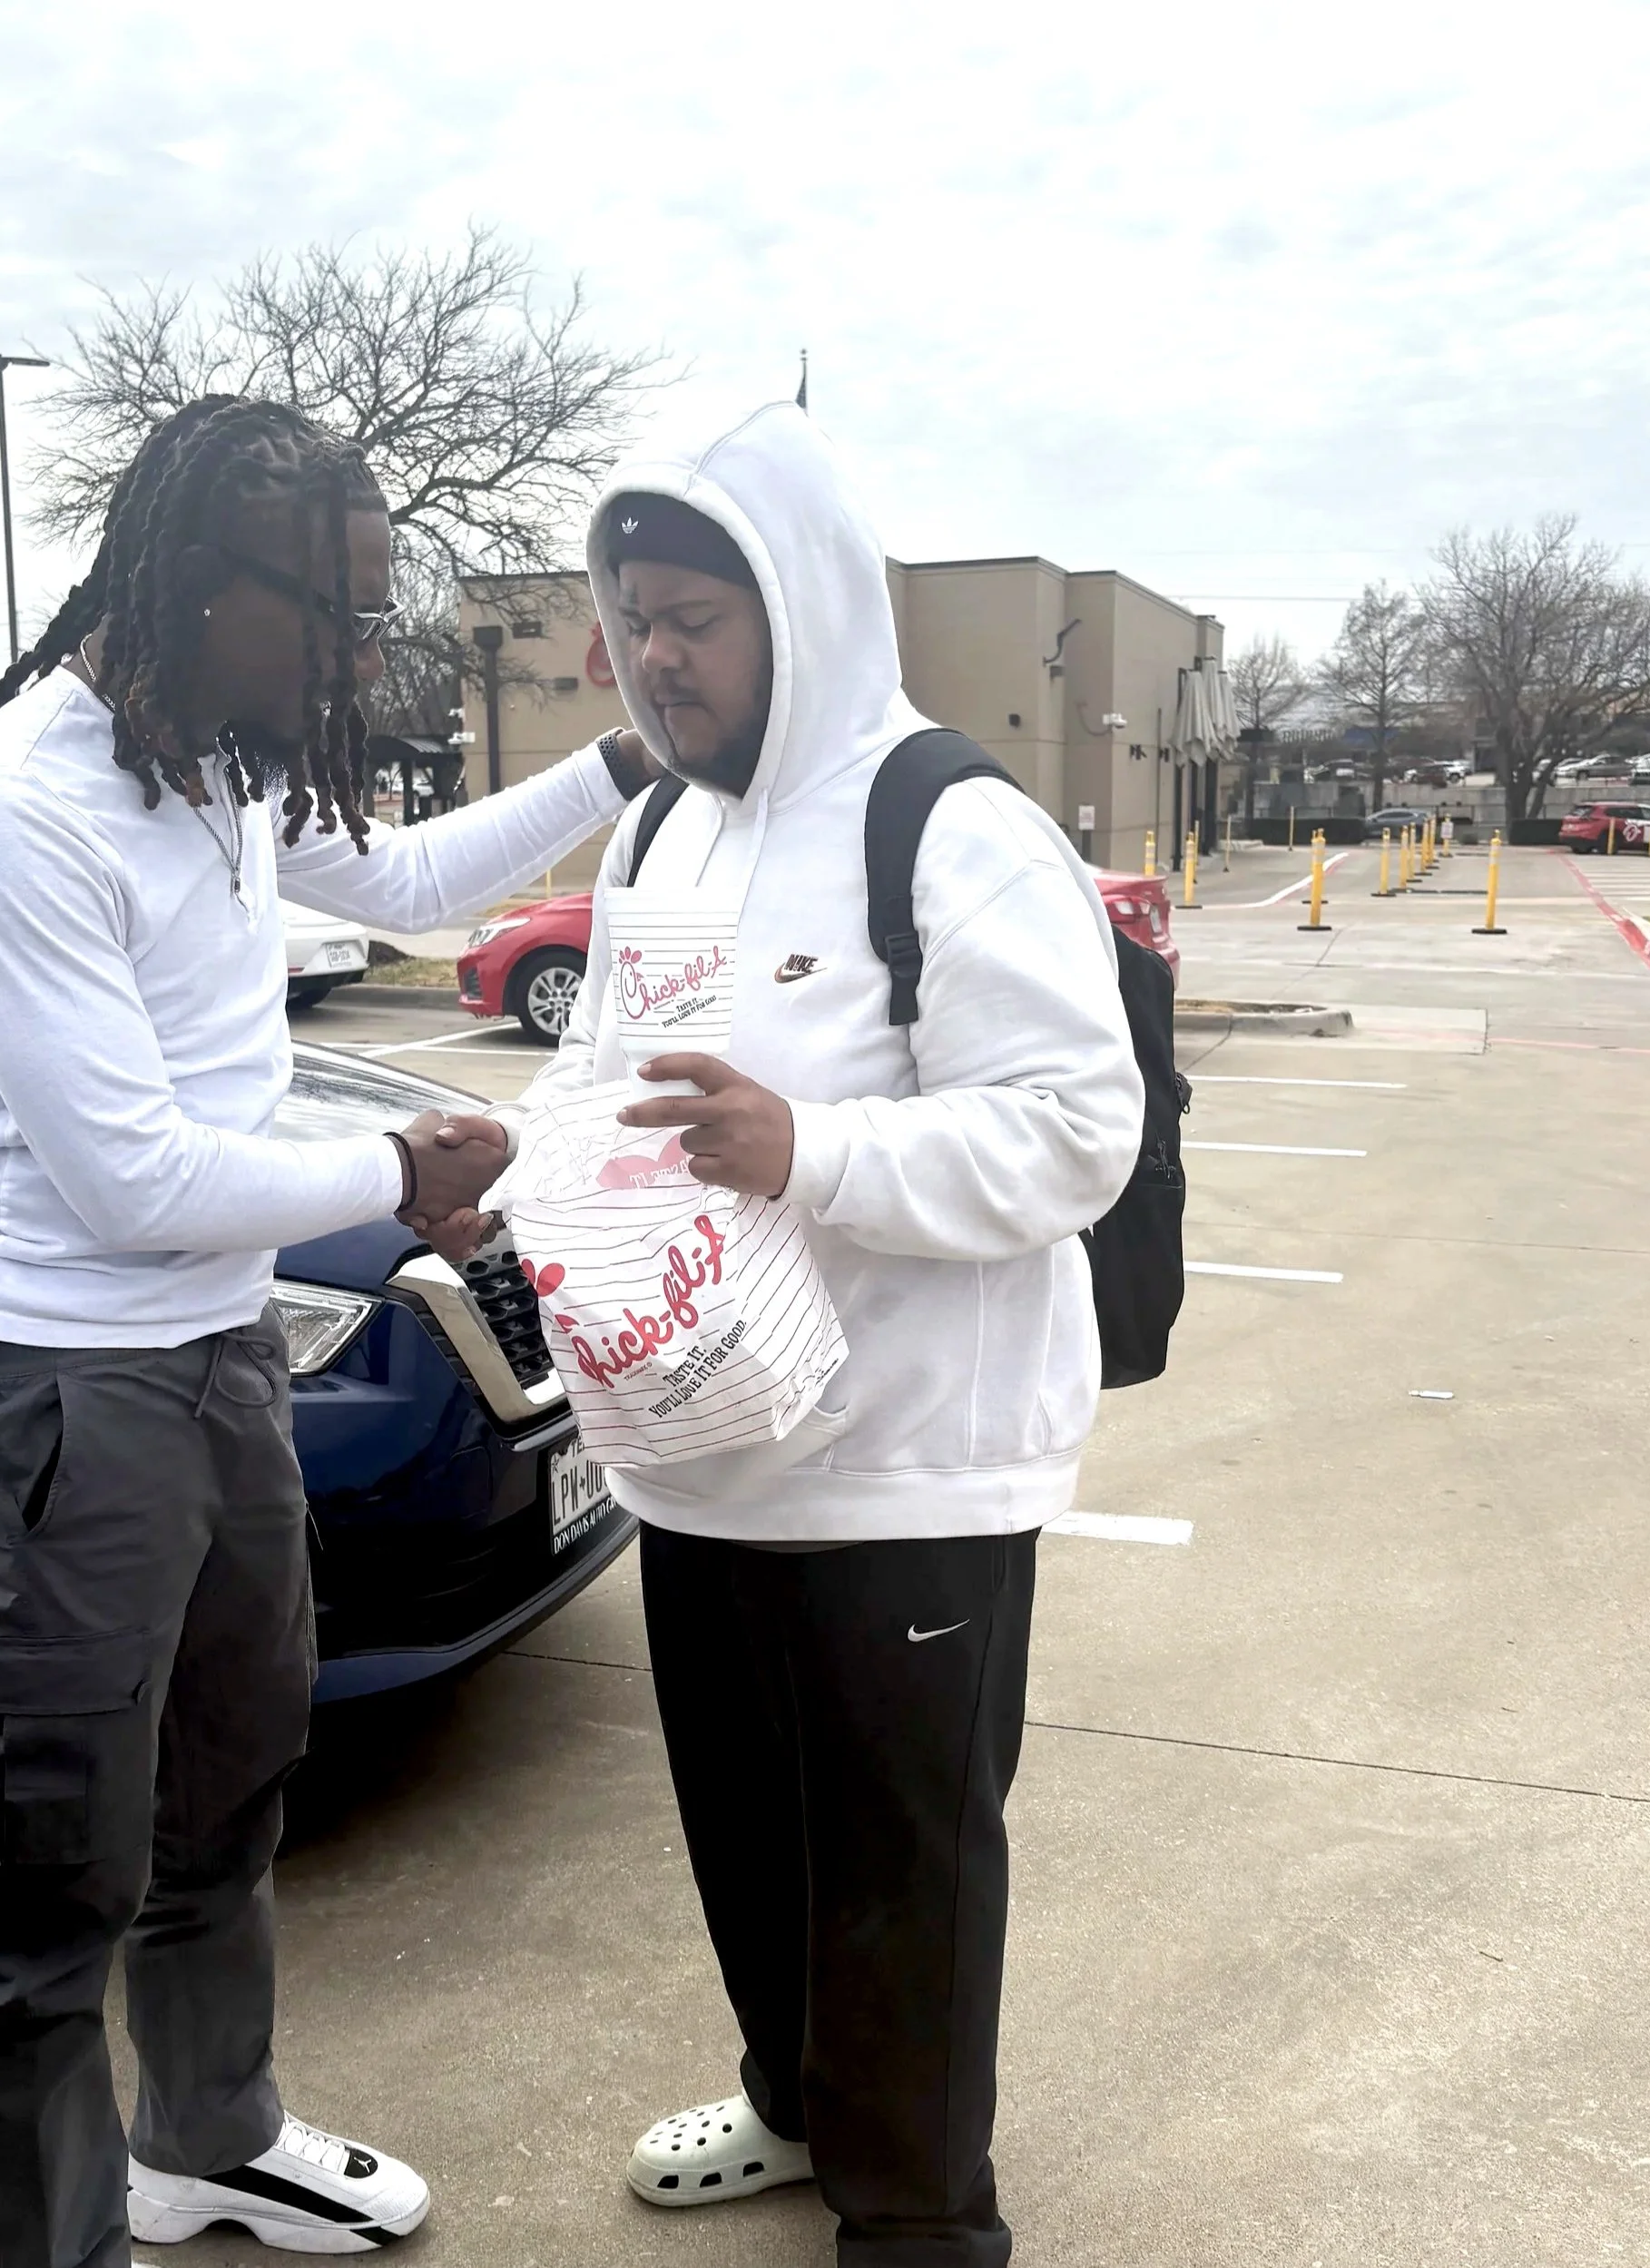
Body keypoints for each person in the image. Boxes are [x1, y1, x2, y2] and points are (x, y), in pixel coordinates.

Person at [0, 394, 652, 2268]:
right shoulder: (15, 812)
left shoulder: (209, 764)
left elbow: (399, 892)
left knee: (232, 1770)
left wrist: (623, 764)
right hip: (59, 1391)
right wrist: (400, 1158)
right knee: (53, 1866)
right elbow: (132, 1180)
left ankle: (204, 2139)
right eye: (338, 613)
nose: (360, 655)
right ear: (195, 591)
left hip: (217, 1357)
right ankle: (34, 2241)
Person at [430, 405, 1144, 2265]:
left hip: (909, 1462)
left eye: (699, 619)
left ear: (801, 613)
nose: (658, 657)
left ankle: (918, 2217)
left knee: (900, 1869)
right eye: (636, 618)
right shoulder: (662, 828)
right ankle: (794, 2096)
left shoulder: (947, 822)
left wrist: (806, 1147)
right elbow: (608, 1088)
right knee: (748, 1836)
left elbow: (1077, 1129)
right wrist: (505, 1170)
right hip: (698, 1448)